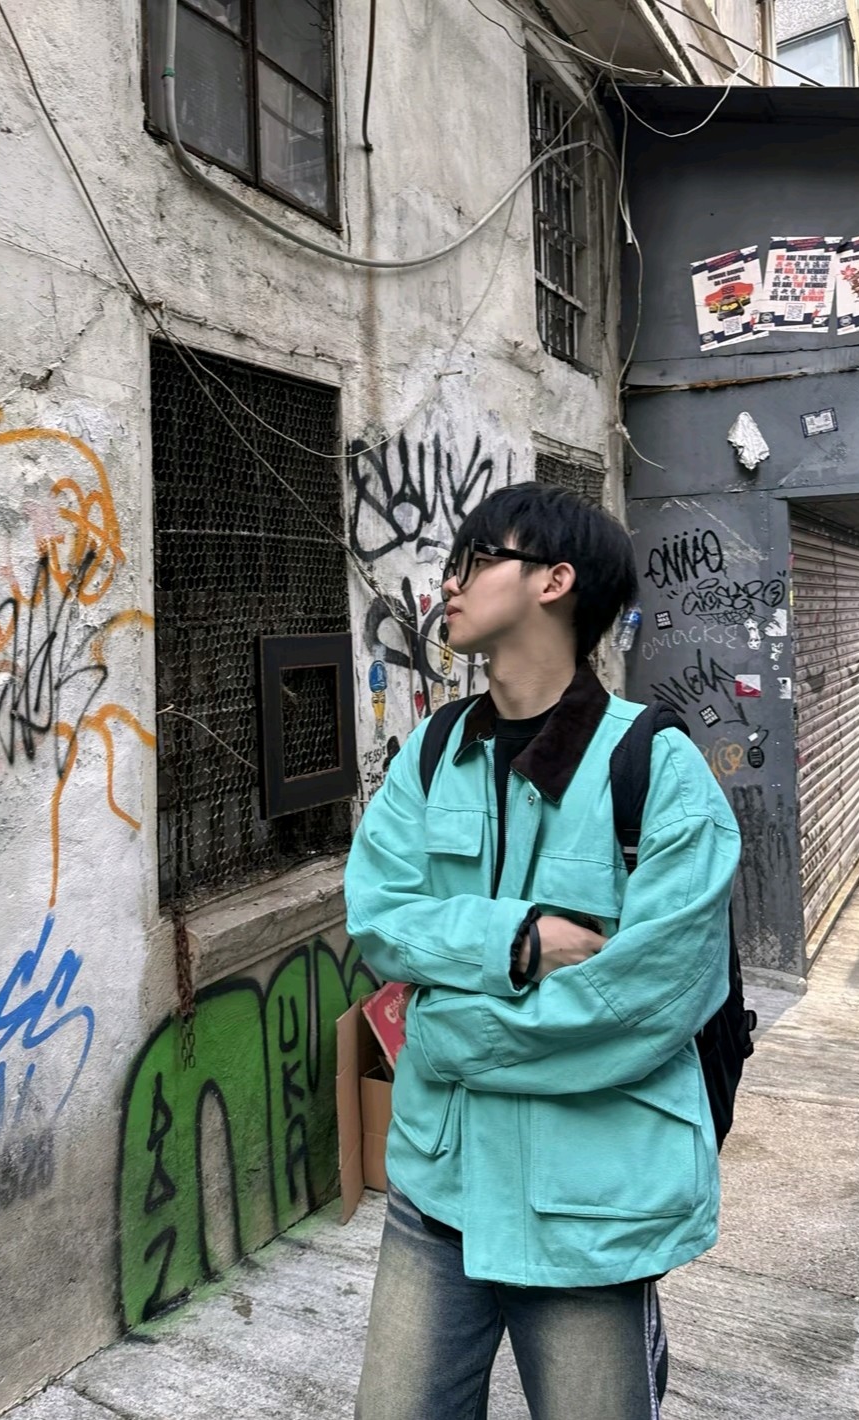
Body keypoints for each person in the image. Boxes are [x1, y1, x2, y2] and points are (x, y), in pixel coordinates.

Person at [344, 483, 741, 1420]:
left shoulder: (657, 769)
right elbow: (377, 918)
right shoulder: (433, 751)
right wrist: (515, 941)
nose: (448, 582)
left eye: (476, 560)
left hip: (588, 1209)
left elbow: (647, 999)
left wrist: (447, 1034)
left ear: (554, 581)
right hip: (437, 1190)